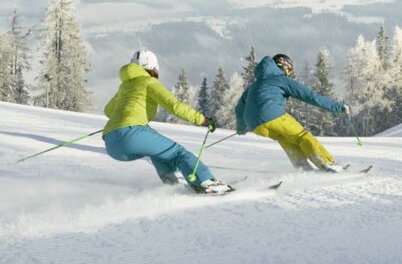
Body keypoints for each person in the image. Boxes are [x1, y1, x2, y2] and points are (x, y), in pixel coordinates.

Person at [103, 48, 233, 195]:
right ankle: (206, 182)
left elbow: (108, 110)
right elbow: (174, 106)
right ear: (153, 67)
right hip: (132, 133)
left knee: (158, 153)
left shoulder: (124, 86)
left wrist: (122, 114)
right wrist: (202, 119)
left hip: (111, 142)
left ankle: (173, 184)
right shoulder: (149, 82)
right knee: (178, 153)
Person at [235, 53, 349, 172]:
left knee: (286, 139)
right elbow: (312, 97)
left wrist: (241, 127)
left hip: (255, 125)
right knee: (302, 136)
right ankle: (327, 163)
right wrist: (338, 107)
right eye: (290, 70)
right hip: (272, 115)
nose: (289, 73)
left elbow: (239, 109)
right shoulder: (281, 79)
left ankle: (303, 168)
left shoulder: (254, 85)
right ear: (285, 67)